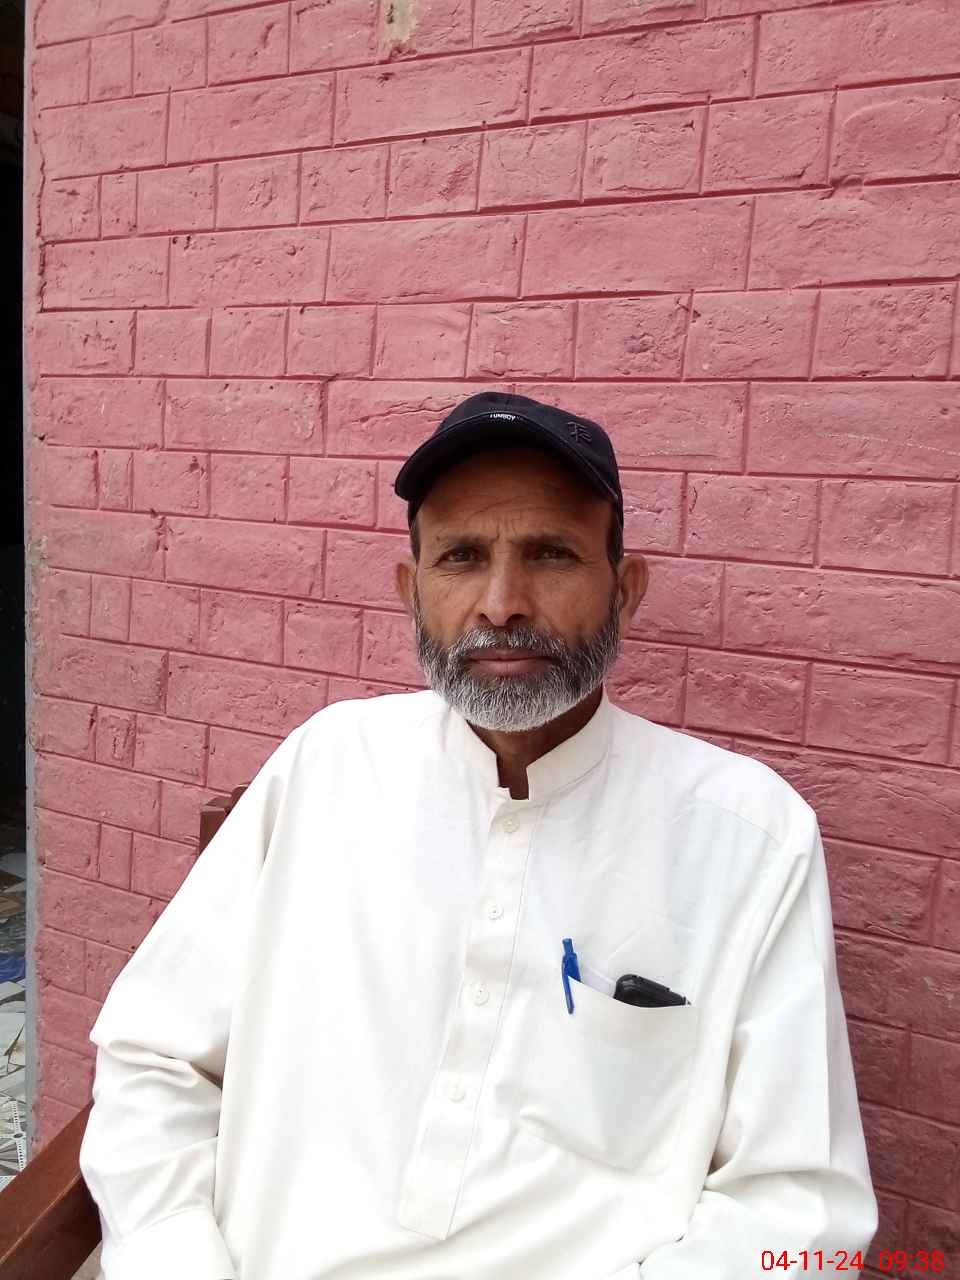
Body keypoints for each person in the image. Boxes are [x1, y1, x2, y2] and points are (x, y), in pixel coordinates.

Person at [79, 391, 877, 1279]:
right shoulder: (326, 765)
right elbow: (154, 1055)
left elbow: (799, 1207)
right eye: (461, 557)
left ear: (626, 591)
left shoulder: (749, 836)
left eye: (551, 554)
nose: (502, 604)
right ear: (410, 591)